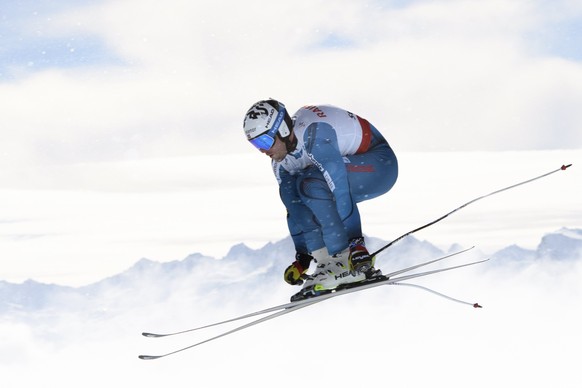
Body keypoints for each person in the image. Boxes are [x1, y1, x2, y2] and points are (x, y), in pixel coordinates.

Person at [243, 99, 398, 300]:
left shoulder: (315, 135)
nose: (263, 151)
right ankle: (327, 262)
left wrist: (356, 244)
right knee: (290, 190)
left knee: (312, 182)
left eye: (264, 141)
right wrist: (303, 256)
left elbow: (339, 188)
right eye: (255, 144)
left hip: (380, 165)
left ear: (281, 129)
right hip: (347, 172)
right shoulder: (280, 163)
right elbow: (294, 210)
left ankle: (345, 261)